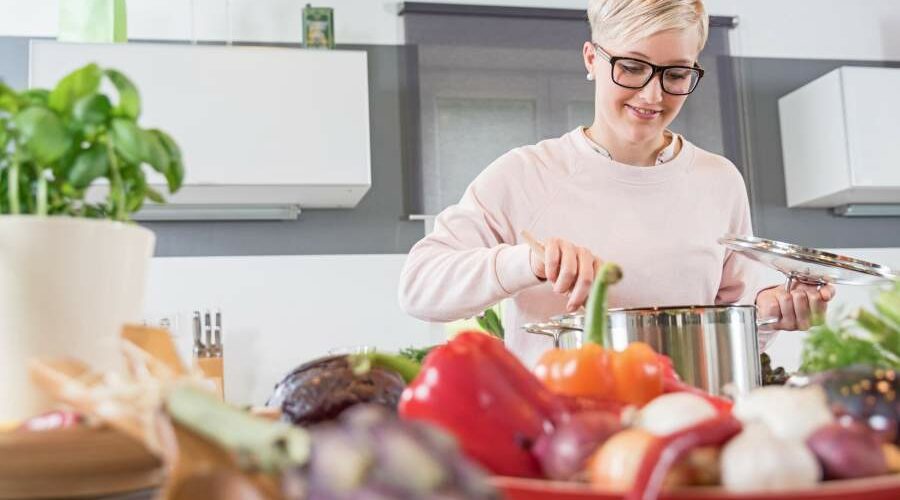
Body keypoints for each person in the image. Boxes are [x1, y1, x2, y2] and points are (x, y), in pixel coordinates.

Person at [398, 0, 834, 367]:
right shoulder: (524, 174)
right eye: (631, 67)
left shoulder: (718, 180)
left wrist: (776, 312)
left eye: (676, 74)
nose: (652, 96)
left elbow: (735, 328)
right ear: (591, 58)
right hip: (561, 433)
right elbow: (419, 289)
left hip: (684, 421)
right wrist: (525, 263)